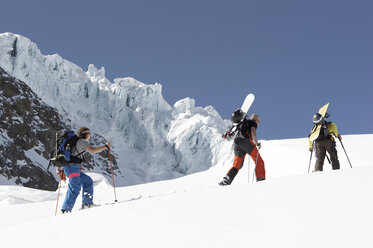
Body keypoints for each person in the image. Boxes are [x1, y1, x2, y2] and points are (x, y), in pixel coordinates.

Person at [57, 127, 110, 213]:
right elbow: (93, 150)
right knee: (74, 188)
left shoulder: (76, 141)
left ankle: (87, 203)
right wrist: (105, 147)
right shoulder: (81, 142)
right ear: (86, 134)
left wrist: (59, 168)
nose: (90, 135)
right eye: (89, 133)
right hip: (72, 168)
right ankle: (65, 210)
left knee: (87, 181)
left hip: (72, 168)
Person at [219, 110, 265, 185]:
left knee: (237, 165)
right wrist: (257, 143)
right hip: (246, 142)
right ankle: (261, 179)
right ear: (256, 120)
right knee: (259, 160)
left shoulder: (242, 124)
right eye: (258, 122)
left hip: (237, 143)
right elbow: (253, 131)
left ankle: (227, 179)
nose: (258, 124)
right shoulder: (252, 123)